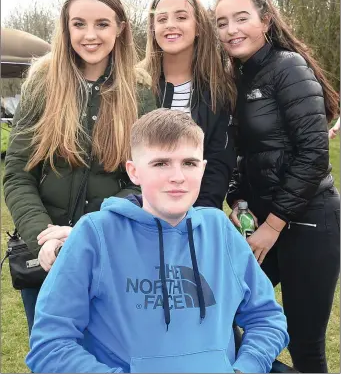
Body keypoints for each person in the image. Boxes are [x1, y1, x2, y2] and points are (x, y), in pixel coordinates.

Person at [26, 109, 289, 373]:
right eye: (161, 163)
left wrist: (246, 367)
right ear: (134, 172)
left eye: (189, 163)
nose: (178, 176)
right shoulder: (95, 235)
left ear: (203, 168)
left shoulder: (220, 231)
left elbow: (267, 318)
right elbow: (50, 345)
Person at [3, 0, 155, 335]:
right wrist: (47, 238)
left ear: (120, 28)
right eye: (79, 24)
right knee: (54, 357)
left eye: (102, 24)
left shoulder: (142, 91)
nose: (90, 35)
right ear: (66, 27)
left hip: (112, 251)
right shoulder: (42, 82)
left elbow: (145, 180)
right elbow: (18, 173)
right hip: (47, 258)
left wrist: (84, 232)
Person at [215, 0, 340, 373]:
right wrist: (238, 201)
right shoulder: (234, 79)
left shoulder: (288, 66)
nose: (231, 29)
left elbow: (315, 154)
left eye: (241, 18)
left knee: (305, 345)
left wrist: (273, 224)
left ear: (265, 21)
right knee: (222, 315)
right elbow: (238, 153)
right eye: (222, 22)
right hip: (263, 225)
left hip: (309, 223)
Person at [140, 0, 237, 209]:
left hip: (193, 217)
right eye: (162, 19)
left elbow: (217, 164)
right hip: (138, 215)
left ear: (199, 27)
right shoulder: (136, 85)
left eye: (181, 17)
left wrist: (197, 217)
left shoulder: (219, 90)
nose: (170, 25)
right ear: (153, 29)